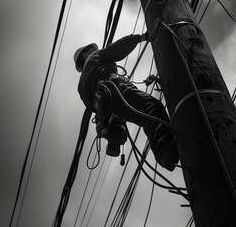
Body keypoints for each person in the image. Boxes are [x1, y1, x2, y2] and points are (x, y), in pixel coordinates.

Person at [74, 33, 179, 171]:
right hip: (114, 90)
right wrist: (140, 37)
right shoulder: (94, 58)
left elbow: (93, 107)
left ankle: (113, 135)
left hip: (107, 107)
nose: (94, 50)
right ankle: (165, 151)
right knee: (151, 108)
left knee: (129, 122)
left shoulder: (81, 87)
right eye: (91, 49)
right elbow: (116, 49)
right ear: (85, 54)